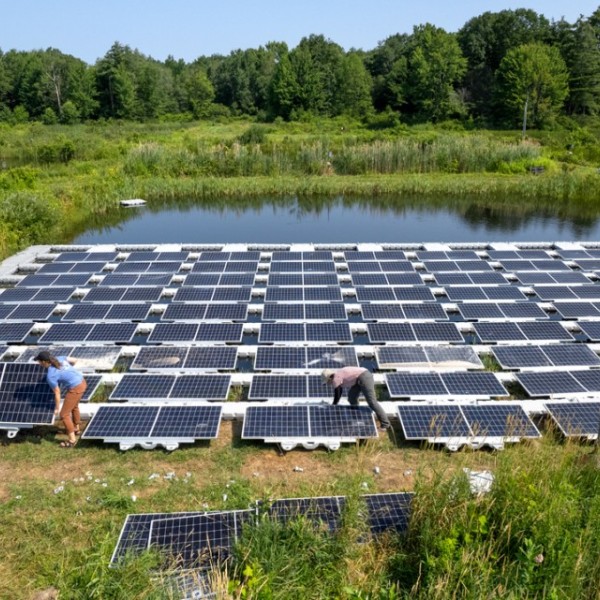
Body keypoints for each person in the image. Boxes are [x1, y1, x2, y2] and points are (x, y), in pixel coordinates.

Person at [35, 350, 87, 447]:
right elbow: (75, 360)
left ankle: (72, 440)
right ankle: (76, 429)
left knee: (64, 414)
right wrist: (69, 371)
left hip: (75, 388)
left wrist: (57, 408)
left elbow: (57, 393)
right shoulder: (60, 358)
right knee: (74, 406)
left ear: (44, 362)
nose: (38, 363)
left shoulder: (51, 376)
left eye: (39, 361)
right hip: (82, 381)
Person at [322, 367, 391, 430]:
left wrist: (334, 404)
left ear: (330, 378)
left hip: (364, 377)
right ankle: (356, 413)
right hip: (359, 378)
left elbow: (338, 393)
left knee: (372, 402)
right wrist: (335, 403)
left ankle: (385, 424)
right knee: (352, 397)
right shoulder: (337, 374)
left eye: (327, 382)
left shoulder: (335, 378)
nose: (328, 384)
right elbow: (339, 392)